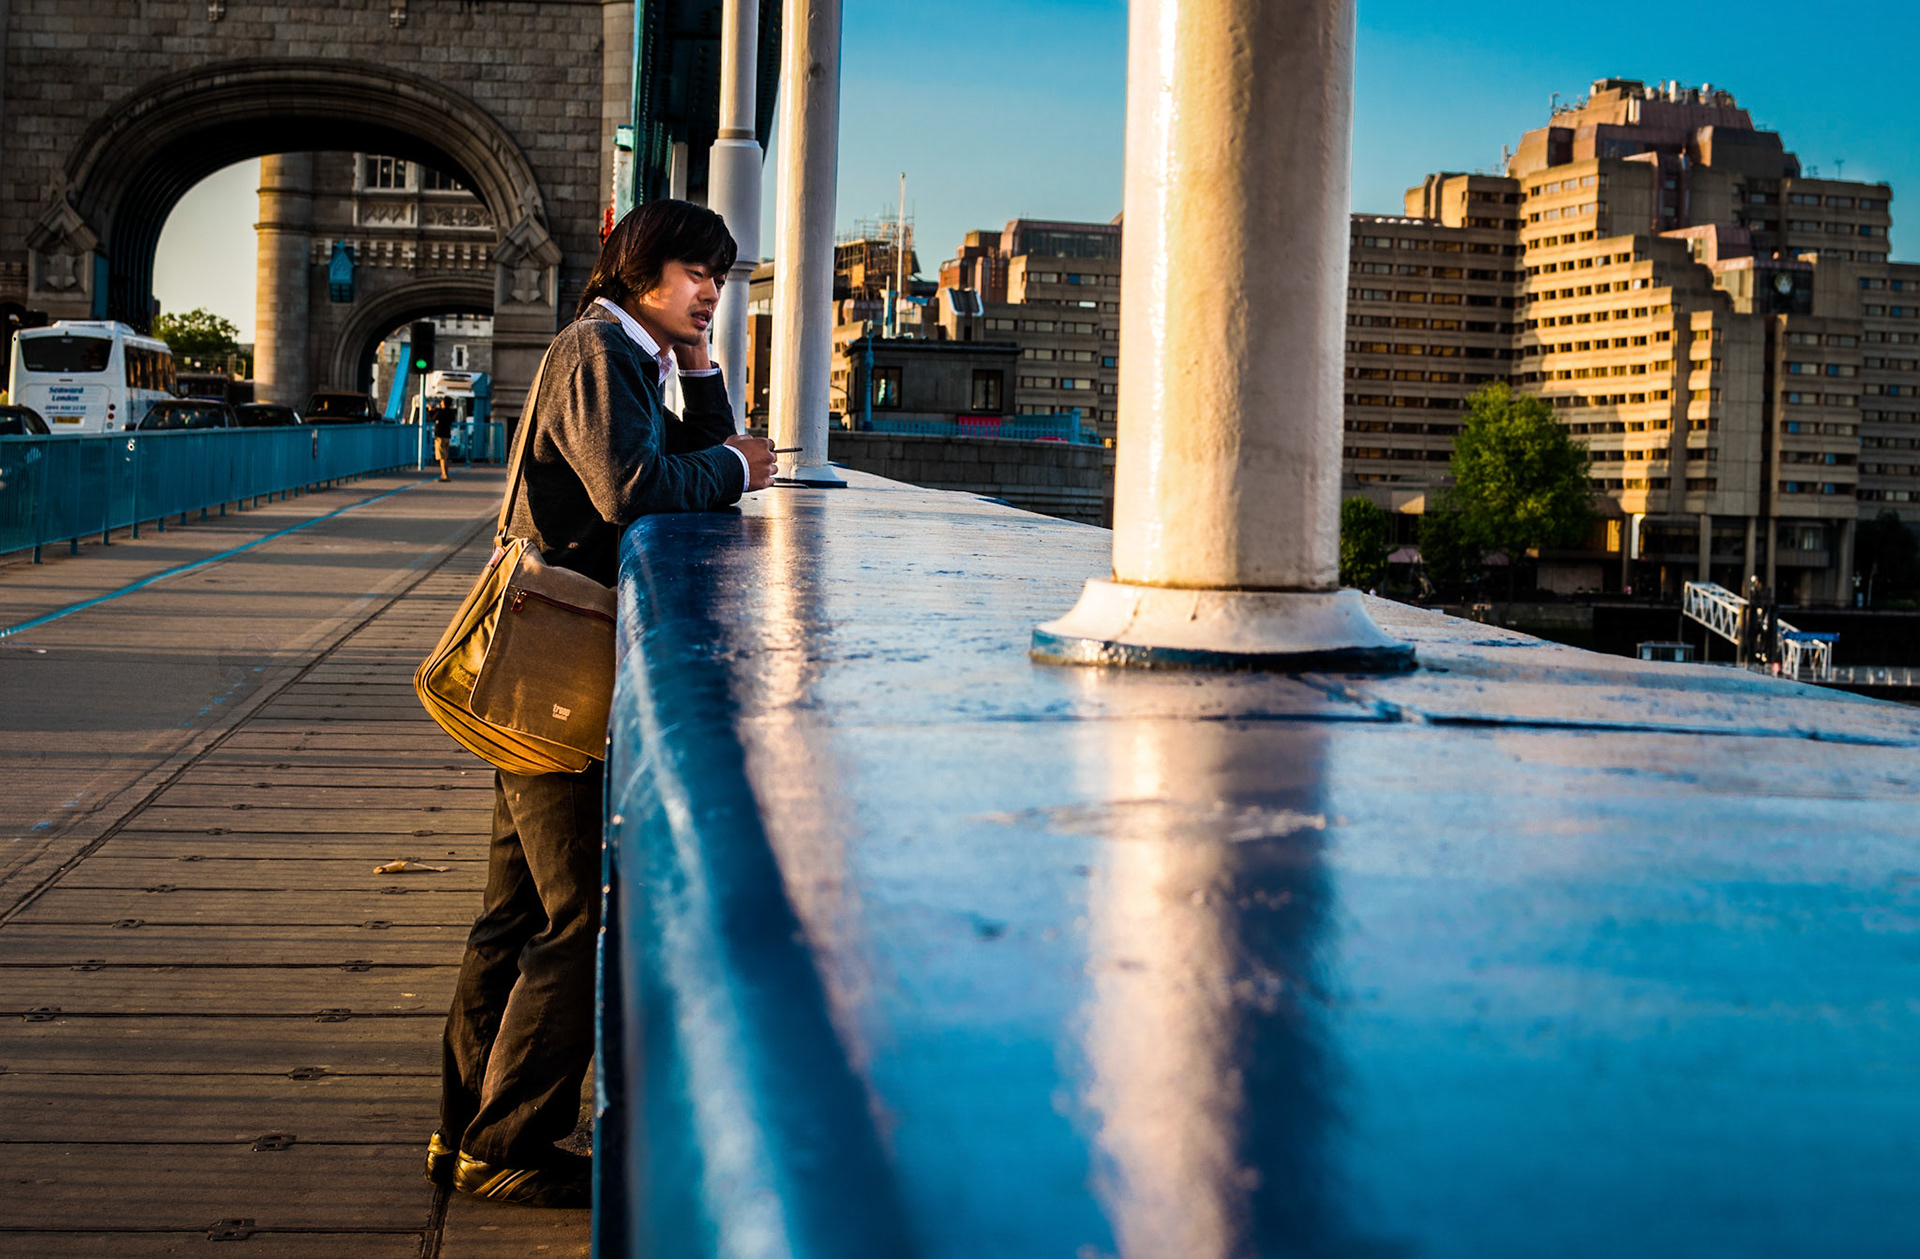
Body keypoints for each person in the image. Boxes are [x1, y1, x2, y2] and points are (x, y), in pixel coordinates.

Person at [429, 200, 777, 1209]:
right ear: (637, 268)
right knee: (575, 913)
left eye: (718, 274)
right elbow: (634, 485)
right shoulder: (599, 351)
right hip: (554, 663)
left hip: (551, 659)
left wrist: (707, 376)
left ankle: (465, 1132)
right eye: (693, 270)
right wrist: (733, 465)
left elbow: (688, 462)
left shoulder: (635, 354)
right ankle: (514, 1140)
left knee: (516, 909)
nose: (709, 287)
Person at [429, 399, 456, 481]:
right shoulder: (451, 413)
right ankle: (445, 474)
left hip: (440, 436)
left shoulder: (440, 412)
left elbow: (433, 418)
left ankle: (445, 475)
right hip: (447, 435)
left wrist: (431, 411)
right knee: (446, 456)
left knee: (442, 457)